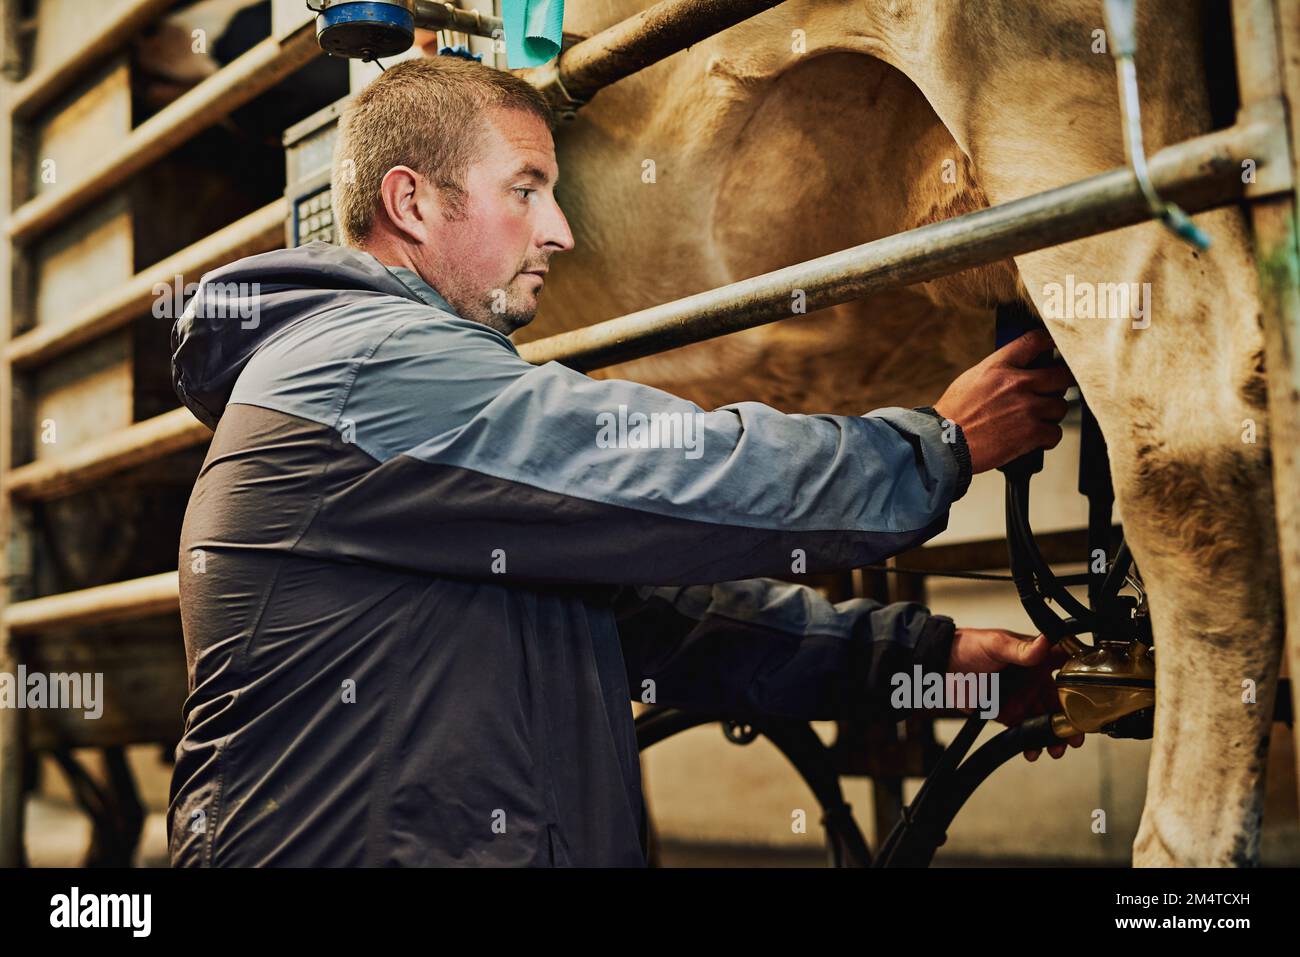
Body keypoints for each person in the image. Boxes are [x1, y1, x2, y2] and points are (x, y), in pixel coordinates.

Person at [166, 55, 1080, 868]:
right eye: (526, 189)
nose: (560, 230)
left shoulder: (383, 398)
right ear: (412, 202)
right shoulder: (370, 365)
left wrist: (932, 657)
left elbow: (653, 629)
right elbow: (670, 471)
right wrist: (941, 445)